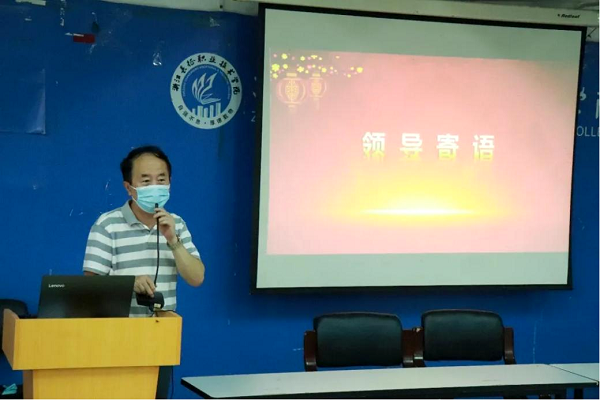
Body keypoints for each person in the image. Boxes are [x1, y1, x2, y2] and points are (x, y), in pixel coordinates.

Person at [83, 145, 205, 398]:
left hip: (160, 335)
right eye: (146, 181)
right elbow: (89, 289)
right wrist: (129, 283)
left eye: (161, 179)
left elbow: (197, 277)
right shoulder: (107, 225)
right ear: (129, 187)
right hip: (115, 337)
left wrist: (173, 240)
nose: (155, 186)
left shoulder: (177, 224)